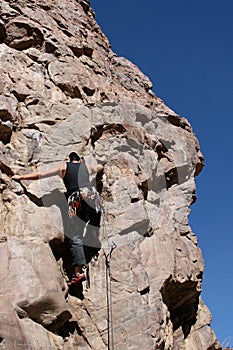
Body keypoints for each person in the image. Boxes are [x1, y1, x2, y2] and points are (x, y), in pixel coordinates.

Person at [12, 152, 103, 286]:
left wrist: (21, 177)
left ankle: (79, 272)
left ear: (70, 159)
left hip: (76, 197)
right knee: (96, 213)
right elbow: (99, 167)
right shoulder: (86, 167)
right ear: (79, 160)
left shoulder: (63, 167)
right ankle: (93, 236)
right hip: (91, 195)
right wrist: (101, 173)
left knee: (74, 234)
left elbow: (41, 175)